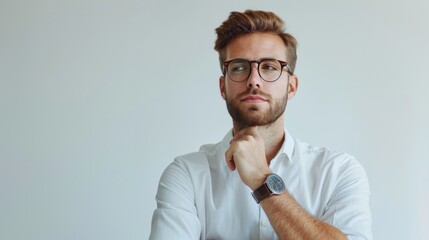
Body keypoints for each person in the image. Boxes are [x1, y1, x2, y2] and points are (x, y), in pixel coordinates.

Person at [149, 10, 372, 240]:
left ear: (291, 87)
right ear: (223, 87)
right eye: (238, 67)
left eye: (269, 67)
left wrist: (262, 179)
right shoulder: (187, 175)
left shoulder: (339, 172)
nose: (253, 80)